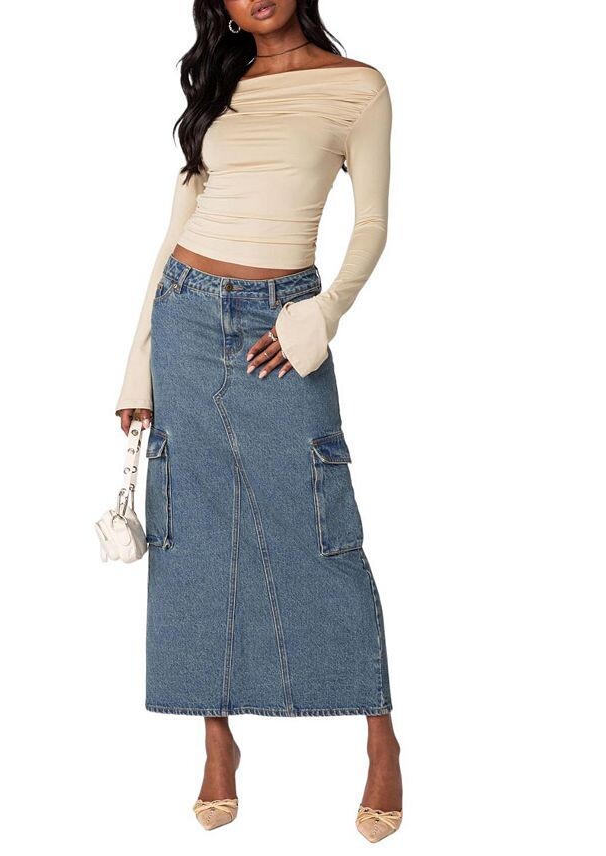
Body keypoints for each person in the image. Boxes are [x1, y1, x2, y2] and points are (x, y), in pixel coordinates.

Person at [114, 0, 402, 841]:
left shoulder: (357, 86)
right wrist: (138, 365)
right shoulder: (221, 84)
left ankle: (380, 737)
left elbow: (373, 224)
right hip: (186, 313)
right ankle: (216, 740)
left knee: (319, 523)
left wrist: (322, 315)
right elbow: (175, 232)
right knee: (192, 532)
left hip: (282, 319)